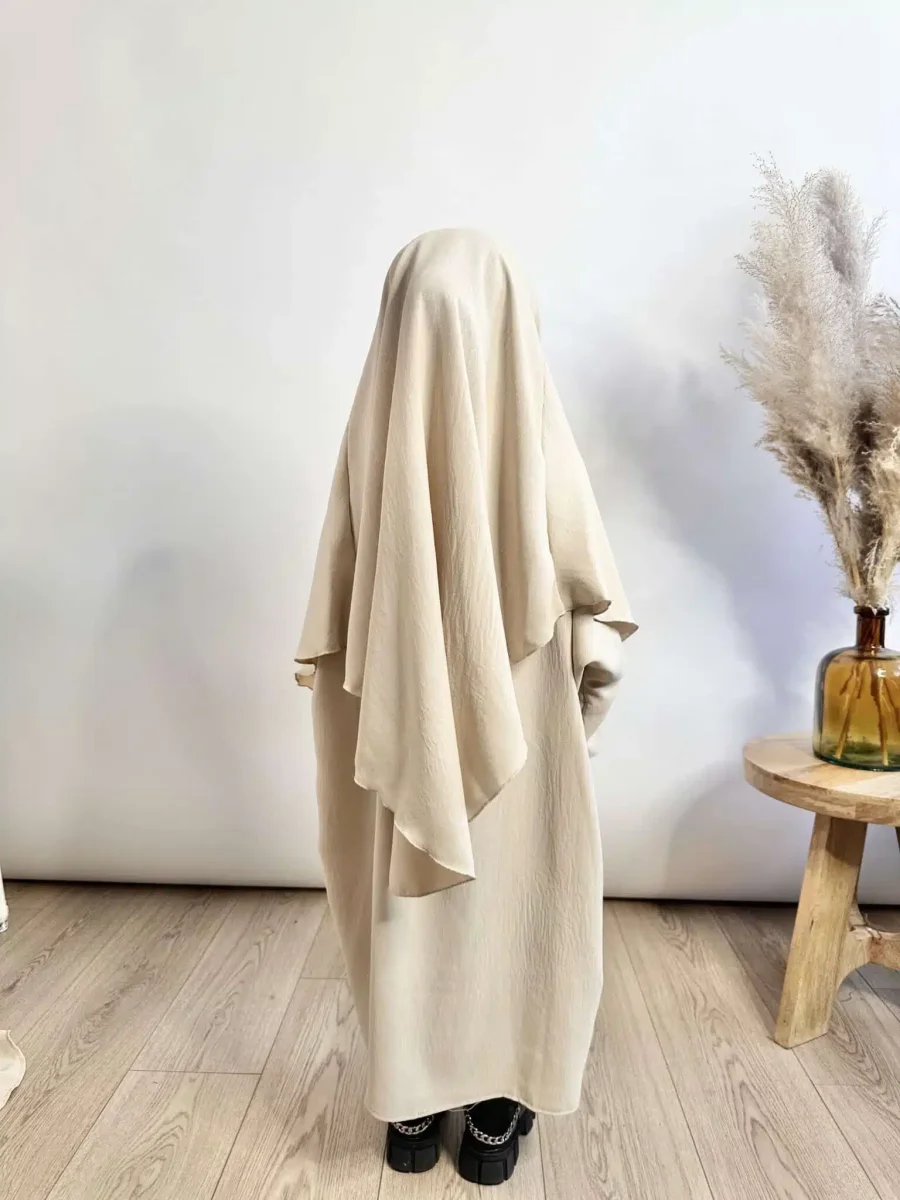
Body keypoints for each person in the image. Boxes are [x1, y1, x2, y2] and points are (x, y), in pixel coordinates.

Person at [296, 229, 635, 1186]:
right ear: (514, 327)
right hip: (518, 704)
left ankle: (410, 1100)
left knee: (405, 893)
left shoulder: (373, 431)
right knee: (523, 892)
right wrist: (582, 701)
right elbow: (594, 618)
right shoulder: (539, 431)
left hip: (396, 705)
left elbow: (334, 600)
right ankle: (496, 1104)